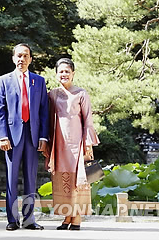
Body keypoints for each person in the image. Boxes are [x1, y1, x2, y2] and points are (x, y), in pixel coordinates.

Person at [0, 43, 49, 231]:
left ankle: (28, 219)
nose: (22, 59)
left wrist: (44, 137)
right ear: (13, 58)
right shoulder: (4, 80)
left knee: (30, 178)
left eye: (25, 56)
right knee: (11, 178)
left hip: (33, 136)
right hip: (11, 136)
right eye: (18, 56)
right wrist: (2, 136)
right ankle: (12, 219)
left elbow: (44, 111)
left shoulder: (39, 81)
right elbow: (0, 111)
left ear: (31, 59)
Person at [45, 58, 100, 231]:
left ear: (73, 74)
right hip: (59, 144)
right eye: (60, 71)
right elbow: (47, 118)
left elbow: (88, 121)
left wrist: (88, 143)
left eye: (67, 71)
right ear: (56, 74)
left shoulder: (81, 94)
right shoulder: (51, 94)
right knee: (63, 180)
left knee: (78, 179)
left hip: (77, 144)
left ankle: (76, 218)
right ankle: (67, 216)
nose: (64, 74)